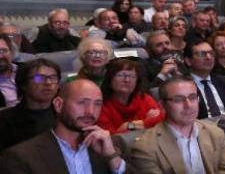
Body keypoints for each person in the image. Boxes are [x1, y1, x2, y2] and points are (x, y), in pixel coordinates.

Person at [0, 79, 128, 173]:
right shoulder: (22, 156)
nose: (90, 111)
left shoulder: (113, 145)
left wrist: (112, 157)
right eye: (82, 103)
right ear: (58, 105)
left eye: (97, 104)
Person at [127, 76, 225, 173]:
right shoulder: (145, 148)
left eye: (193, 97)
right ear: (162, 106)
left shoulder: (215, 133)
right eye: (178, 99)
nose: (188, 105)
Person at [0, 58, 60, 152]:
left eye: (53, 77)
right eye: (39, 78)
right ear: (24, 84)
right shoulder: (4, 120)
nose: (48, 83)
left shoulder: (66, 115)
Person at [97, 58, 165, 134]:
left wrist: (128, 126)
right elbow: (110, 137)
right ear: (110, 79)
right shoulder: (101, 105)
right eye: (121, 75)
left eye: (132, 76)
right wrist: (147, 121)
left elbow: (162, 119)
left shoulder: (144, 98)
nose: (127, 80)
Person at [185, 40, 225, 119]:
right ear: (189, 61)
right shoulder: (183, 86)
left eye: (211, 53)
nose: (209, 57)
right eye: (202, 54)